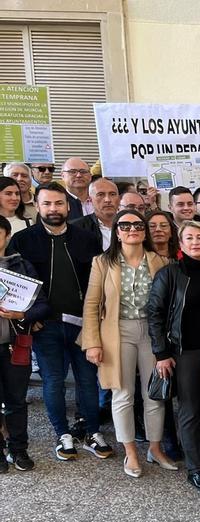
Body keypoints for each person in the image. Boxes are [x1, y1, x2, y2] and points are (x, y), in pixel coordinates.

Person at [8, 183, 109, 460]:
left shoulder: (87, 239)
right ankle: (62, 434)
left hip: (83, 323)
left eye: (58, 203)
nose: (53, 209)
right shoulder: (24, 240)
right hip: (45, 325)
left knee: (88, 380)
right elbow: (19, 284)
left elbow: (97, 281)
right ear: (37, 207)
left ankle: (91, 431)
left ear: (67, 206)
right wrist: (31, 318)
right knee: (53, 381)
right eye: (47, 204)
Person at [82, 209, 171, 479]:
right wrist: (92, 342)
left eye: (137, 225)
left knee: (154, 392)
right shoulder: (103, 262)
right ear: (117, 231)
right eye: (125, 225)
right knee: (122, 393)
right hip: (116, 331)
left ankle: (154, 448)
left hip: (152, 332)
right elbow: (92, 303)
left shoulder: (159, 261)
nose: (132, 229)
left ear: (144, 231)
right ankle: (131, 452)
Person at [146, 220, 200, 491]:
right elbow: (155, 314)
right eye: (190, 238)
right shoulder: (170, 274)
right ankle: (194, 467)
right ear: (181, 244)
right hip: (184, 353)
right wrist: (161, 353)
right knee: (190, 410)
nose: (196, 242)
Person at [0, 217, 47, 472]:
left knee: (17, 400)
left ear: (7, 236)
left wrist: (22, 315)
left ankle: (19, 450)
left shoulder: (21, 266)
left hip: (14, 343)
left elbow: (42, 305)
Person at [69, 178, 119, 248]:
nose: (108, 200)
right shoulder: (76, 229)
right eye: (100, 194)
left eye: (112, 194)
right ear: (90, 200)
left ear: (119, 198)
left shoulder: (130, 224)